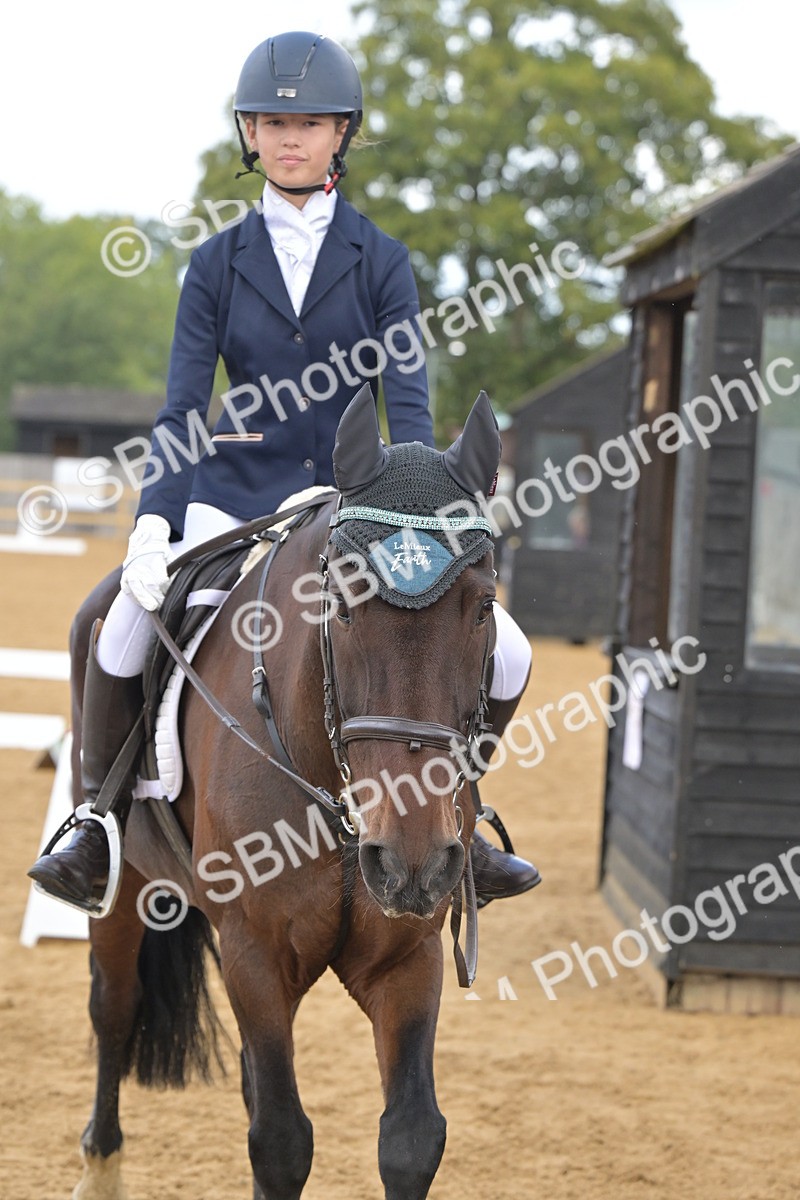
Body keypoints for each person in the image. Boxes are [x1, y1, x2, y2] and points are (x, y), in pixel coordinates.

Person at [28, 31, 539, 913]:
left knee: (511, 654)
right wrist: (153, 521)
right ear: (250, 136)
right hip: (231, 499)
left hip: (352, 508)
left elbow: (409, 410)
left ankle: (462, 810)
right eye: (271, 123)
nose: (289, 138)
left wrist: (419, 513)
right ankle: (97, 825)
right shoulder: (214, 263)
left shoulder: (383, 261)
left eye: (308, 123)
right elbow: (184, 407)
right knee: (107, 626)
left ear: (342, 133)